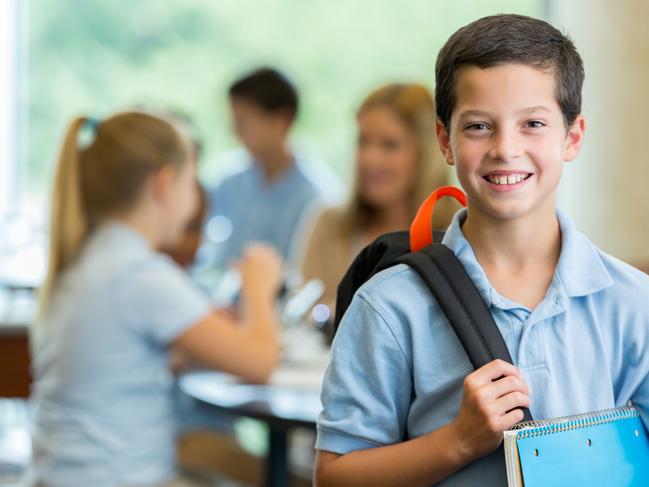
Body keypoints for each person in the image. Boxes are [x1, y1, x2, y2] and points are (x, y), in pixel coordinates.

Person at [314, 14, 649, 486]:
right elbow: (334, 478)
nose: (505, 148)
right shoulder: (389, 306)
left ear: (572, 137)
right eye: (478, 127)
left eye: (532, 123)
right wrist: (458, 441)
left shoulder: (634, 302)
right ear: (444, 140)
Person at [27, 111, 283, 487]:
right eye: (191, 182)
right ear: (165, 183)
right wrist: (259, 286)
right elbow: (261, 363)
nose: (196, 198)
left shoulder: (94, 260)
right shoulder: (139, 274)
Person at [300, 83, 455, 315]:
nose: (370, 159)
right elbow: (304, 313)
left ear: (426, 153)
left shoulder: (460, 229)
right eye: (363, 142)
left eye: (389, 145)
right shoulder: (330, 223)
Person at [206, 67, 339, 268]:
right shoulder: (229, 181)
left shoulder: (318, 195)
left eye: (243, 123)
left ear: (281, 120)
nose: (235, 133)